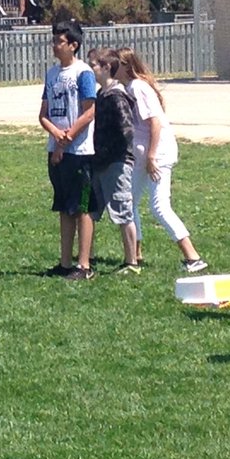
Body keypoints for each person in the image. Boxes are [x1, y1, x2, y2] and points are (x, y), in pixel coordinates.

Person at [116, 47, 207, 273]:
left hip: (157, 155)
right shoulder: (129, 88)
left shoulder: (137, 87)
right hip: (141, 156)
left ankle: (193, 257)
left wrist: (151, 155)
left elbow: (155, 122)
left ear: (126, 66)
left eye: (115, 64)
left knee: (159, 206)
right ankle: (135, 255)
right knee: (129, 202)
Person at [38, 20, 97, 281]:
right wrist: (55, 135)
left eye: (59, 41)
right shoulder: (51, 75)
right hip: (57, 150)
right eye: (53, 40)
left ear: (73, 45)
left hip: (80, 152)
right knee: (63, 206)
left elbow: (90, 111)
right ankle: (64, 262)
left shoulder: (83, 73)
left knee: (82, 207)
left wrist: (68, 138)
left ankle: (83, 265)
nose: (54, 45)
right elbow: (43, 114)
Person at [87, 49, 140, 274]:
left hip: (116, 163)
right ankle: (85, 257)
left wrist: (110, 154)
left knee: (122, 212)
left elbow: (127, 131)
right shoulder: (101, 94)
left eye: (94, 65)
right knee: (89, 209)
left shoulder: (117, 96)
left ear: (107, 67)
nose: (91, 69)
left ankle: (131, 263)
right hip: (98, 162)